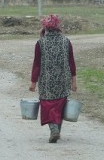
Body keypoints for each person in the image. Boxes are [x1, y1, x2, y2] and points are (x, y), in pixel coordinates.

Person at [29, 14, 77, 143]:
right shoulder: (66, 41)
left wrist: (33, 82)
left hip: (46, 82)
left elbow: (37, 64)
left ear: (45, 27)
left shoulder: (40, 43)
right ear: (58, 27)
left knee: (48, 106)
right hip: (63, 81)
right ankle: (57, 131)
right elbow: (71, 62)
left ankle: (54, 129)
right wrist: (74, 81)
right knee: (59, 106)